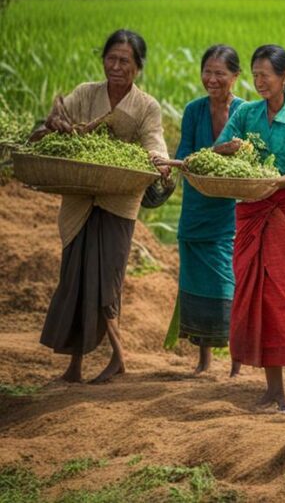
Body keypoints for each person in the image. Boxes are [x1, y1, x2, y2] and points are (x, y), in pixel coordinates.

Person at [35, 29, 170, 384]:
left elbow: (154, 142)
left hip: (118, 202)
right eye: (111, 58)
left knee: (107, 284)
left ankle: (118, 357)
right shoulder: (85, 94)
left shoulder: (146, 106)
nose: (116, 66)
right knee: (75, 279)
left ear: (138, 67)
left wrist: (157, 160)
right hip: (80, 198)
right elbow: (52, 127)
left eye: (125, 61)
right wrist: (53, 126)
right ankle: (75, 365)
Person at [214, 45, 285, 414]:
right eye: (255, 75)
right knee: (258, 299)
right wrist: (228, 149)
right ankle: (274, 390)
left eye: (266, 75)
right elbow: (217, 151)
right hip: (251, 209)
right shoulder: (245, 113)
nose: (259, 82)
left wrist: (276, 182)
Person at [171, 45, 243, 374]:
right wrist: (217, 152)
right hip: (196, 210)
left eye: (219, 73)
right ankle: (203, 360)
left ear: (235, 77)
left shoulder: (245, 112)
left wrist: (228, 155)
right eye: (207, 72)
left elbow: (252, 160)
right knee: (196, 283)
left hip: (231, 214)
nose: (211, 79)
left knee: (229, 284)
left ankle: (237, 361)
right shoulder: (193, 110)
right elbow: (185, 155)